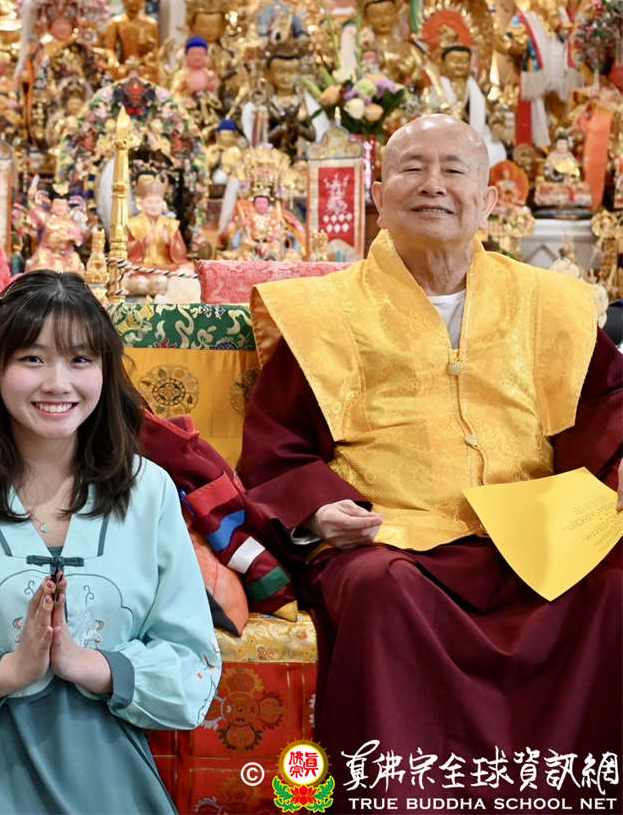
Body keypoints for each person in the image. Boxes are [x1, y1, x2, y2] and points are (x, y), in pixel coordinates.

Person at [237, 114, 622, 810]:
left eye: (454, 169)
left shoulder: (553, 305)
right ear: (378, 195)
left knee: (613, 587)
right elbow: (277, 446)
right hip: (393, 540)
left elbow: (608, 413)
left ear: (489, 198)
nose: (433, 184)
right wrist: (320, 512)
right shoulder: (323, 312)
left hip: (537, 537)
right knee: (378, 590)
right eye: (412, 168)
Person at [0, 270, 220, 814]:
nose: (58, 383)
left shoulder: (150, 492)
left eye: (80, 359)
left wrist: (89, 666)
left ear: (105, 371)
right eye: (32, 358)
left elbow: (195, 667)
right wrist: (9, 671)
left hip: (110, 782)